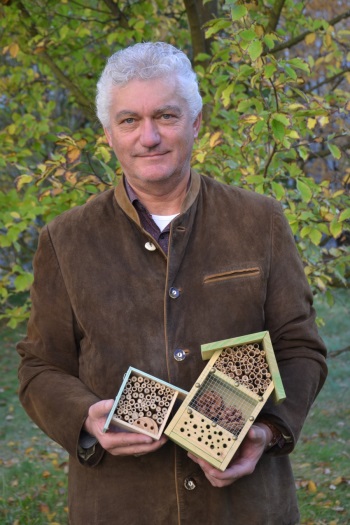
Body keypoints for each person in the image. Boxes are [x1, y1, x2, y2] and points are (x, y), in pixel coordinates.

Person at [17, 42, 327, 525]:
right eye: (129, 121)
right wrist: (84, 416)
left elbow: (300, 349)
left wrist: (267, 430)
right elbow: (39, 367)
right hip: (120, 508)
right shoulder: (65, 240)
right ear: (108, 134)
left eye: (166, 115)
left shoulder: (259, 220)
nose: (149, 137)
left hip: (244, 509)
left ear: (196, 122)